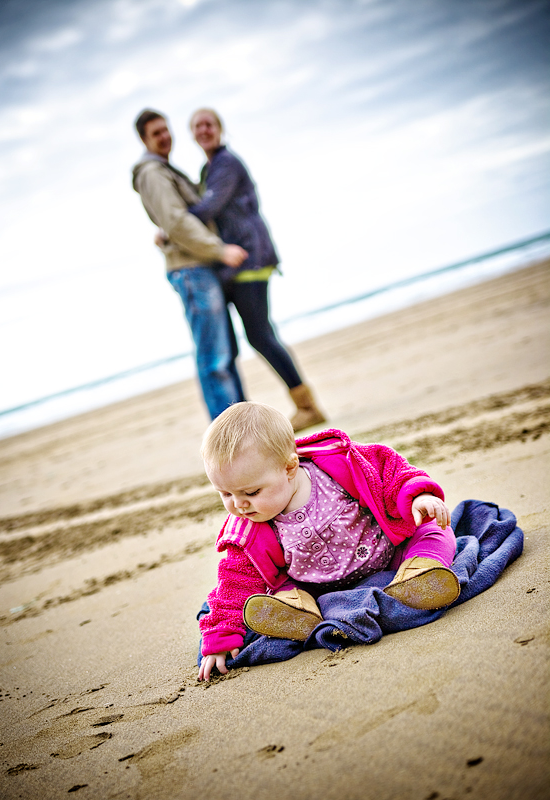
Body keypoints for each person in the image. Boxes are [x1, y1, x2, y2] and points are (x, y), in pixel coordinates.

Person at [197, 402, 460, 681]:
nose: (239, 504)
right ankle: (297, 612)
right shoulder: (248, 527)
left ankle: (421, 572)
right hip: (311, 586)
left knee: (434, 528)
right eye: (225, 494)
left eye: (251, 491)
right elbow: (234, 584)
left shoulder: (339, 465)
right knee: (280, 592)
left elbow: (389, 470)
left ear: (288, 467)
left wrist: (417, 495)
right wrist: (220, 637)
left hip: (384, 552)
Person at [187, 108, 326, 432]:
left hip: (250, 257)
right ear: (193, 134)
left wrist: (170, 227)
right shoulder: (208, 169)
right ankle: (297, 405)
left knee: (260, 335)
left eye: (209, 124)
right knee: (254, 336)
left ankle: (307, 406)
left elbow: (209, 207)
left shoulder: (226, 163)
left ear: (220, 129)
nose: (204, 130)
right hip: (234, 263)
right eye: (198, 126)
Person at [132, 108, 249, 420]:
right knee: (215, 358)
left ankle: (244, 429)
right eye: (156, 133)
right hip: (192, 269)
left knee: (224, 354)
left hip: (198, 267)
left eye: (166, 130)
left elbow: (173, 220)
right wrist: (219, 250)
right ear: (144, 140)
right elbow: (177, 221)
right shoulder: (152, 173)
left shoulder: (165, 170)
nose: (165, 137)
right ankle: (230, 438)